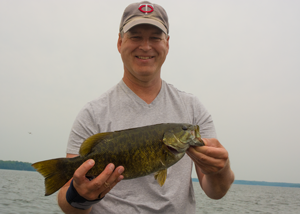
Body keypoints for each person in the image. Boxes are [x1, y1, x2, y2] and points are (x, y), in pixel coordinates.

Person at [57, 1, 235, 214]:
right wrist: (80, 197)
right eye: (135, 36)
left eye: (155, 38)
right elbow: (67, 202)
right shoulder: (93, 113)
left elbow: (215, 191)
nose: (146, 46)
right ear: (119, 42)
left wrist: (221, 170)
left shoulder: (193, 108)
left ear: (167, 44)